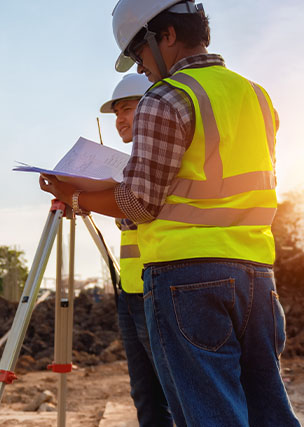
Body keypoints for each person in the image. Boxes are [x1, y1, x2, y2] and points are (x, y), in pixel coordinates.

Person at [39, 0, 300, 426]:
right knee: (267, 410)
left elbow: (140, 204)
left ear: (166, 36)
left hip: (188, 278)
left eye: (140, 55)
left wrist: (76, 194)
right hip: (256, 274)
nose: (141, 69)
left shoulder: (167, 97)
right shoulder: (257, 96)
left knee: (209, 415)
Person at [101, 74, 171, 426]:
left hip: (160, 290)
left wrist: (85, 196)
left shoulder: (157, 160)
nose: (120, 121)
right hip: (131, 290)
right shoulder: (129, 167)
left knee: (173, 389)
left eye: (127, 109)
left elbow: (140, 211)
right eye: (116, 113)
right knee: (146, 394)